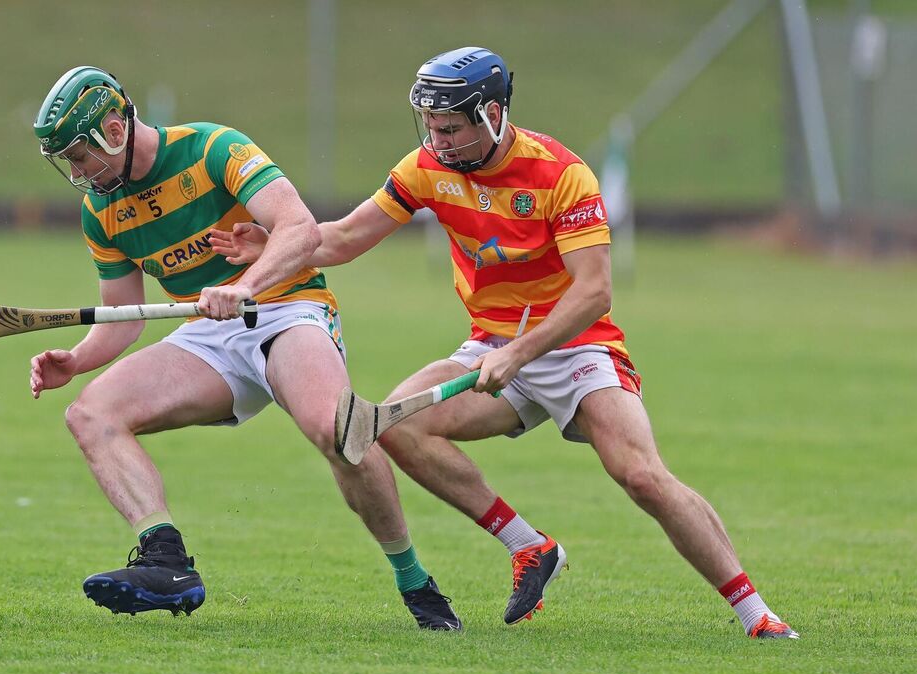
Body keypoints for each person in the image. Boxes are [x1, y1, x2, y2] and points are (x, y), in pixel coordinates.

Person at [210, 47, 798, 639]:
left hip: (576, 346)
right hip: (492, 345)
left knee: (641, 475)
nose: (436, 141)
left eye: (449, 128)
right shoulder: (425, 168)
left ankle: (757, 614)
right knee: (396, 425)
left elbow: (593, 293)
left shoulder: (561, 174)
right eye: (429, 127)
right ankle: (530, 547)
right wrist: (274, 247)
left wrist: (520, 353)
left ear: (492, 114)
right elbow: (341, 240)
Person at [27, 66, 461, 630]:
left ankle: (414, 580)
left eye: (81, 155)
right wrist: (79, 358)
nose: (79, 173)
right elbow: (123, 315)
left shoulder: (212, 148)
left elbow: (299, 228)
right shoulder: (102, 211)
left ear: (114, 127)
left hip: (286, 306)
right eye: (69, 162)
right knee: (90, 413)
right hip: (208, 334)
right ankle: (167, 560)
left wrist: (246, 285)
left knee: (339, 432)